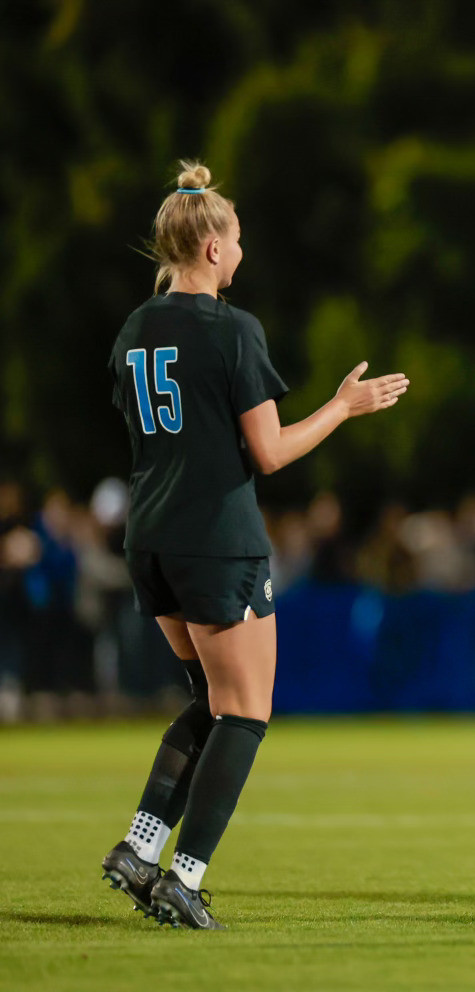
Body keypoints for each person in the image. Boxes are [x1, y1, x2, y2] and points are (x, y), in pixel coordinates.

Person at [100, 161, 409, 928]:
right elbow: (268, 453)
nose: (242, 248)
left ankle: (140, 847)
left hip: (151, 537)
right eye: (235, 237)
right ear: (210, 247)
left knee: (210, 699)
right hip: (215, 539)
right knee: (245, 712)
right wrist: (343, 407)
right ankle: (185, 875)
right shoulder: (231, 329)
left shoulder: (136, 327)